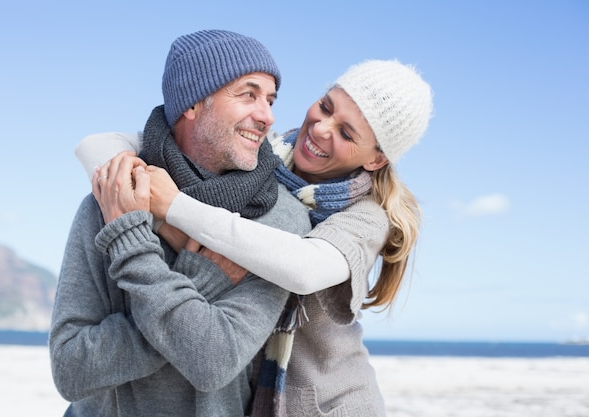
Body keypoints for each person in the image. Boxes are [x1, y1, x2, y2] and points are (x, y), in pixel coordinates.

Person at [77, 59, 433, 416]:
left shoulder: (366, 217)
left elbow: (301, 268)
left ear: (376, 160)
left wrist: (174, 209)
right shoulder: (263, 160)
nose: (322, 128)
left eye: (346, 133)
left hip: (325, 405)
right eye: (325, 107)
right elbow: (98, 145)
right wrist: (130, 177)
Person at [49, 29, 312, 417]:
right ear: (192, 103)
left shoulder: (280, 221)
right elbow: (71, 370)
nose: (267, 116)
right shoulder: (112, 197)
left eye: (270, 100)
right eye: (248, 94)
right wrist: (202, 281)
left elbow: (212, 361)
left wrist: (132, 246)